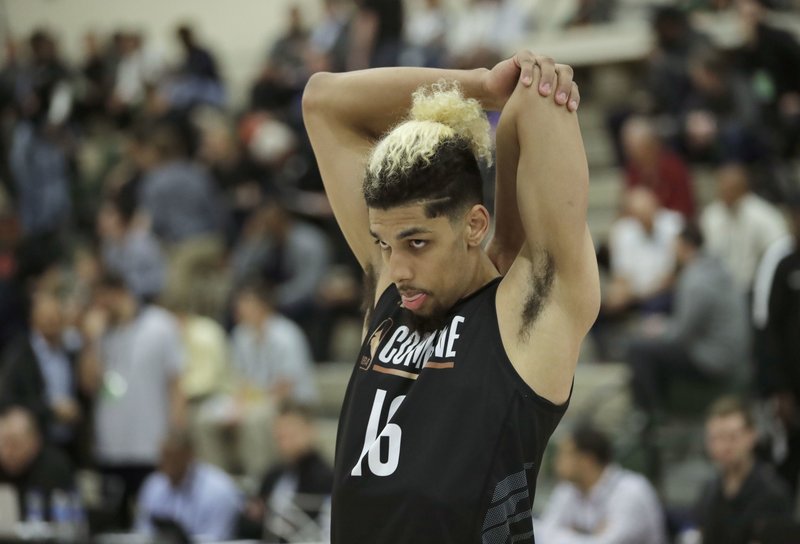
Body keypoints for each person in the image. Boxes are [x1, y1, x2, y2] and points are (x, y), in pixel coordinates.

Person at [303, 51, 599, 541]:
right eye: (384, 243)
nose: (396, 269)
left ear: (474, 225)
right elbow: (323, 100)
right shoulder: (393, 292)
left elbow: (536, 103)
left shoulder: (526, 318)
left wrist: (523, 84)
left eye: (418, 242)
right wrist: (481, 84)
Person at [79, 272, 185, 528]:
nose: (101, 307)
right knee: (113, 521)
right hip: (111, 446)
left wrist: (176, 432)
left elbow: (177, 384)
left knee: (152, 520)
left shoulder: (160, 325)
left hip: (152, 443)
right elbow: (88, 384)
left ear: (121, 293)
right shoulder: (101, 334)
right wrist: (91, 341)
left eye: (105, 300)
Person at [197, 280, 317, 477]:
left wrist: (250, 406)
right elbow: (240, 380)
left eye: (245, 304)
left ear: (262, 306)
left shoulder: (286, 334)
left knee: (254, 420)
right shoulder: (240, 335)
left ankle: (259, 477)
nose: (239, 310)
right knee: (204, 418)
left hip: (291, 402)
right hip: (255, 399)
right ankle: (218, 477)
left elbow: (285, 386)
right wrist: (237, 406)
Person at [627, 224, 750, 417]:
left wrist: (659, 328)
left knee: (639, 349)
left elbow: (680, 335)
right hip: (729, 353)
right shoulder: (717, 267)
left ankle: (649, 418)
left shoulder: (695, 279)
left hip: (713, 359)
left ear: (685, 247)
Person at [536, 425, 666, 544]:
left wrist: (568, 533)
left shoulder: (631, 490)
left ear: (587, 460)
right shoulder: (567, 489)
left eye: (565, 454)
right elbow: (543, 535)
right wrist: (589, 537)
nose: (556, 460)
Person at [693, 396, 792, 544]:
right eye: (716, 438)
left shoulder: (773, 494)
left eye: (732, 437)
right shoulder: (709, 492)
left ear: (751, 436)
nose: (724, 447)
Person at [238, 402, 333, 542]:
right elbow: (246, 521)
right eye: (280, 436)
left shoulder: (326, 478)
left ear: (309, 430)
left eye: (291, 434)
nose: (284, 442)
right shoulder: (274, 473)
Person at [0, 292, 81, 453]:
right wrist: (50, 411)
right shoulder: (20, 354)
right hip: (35, 445)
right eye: (45, 316)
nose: (51, 321)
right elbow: (8, 400)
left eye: (55, 315)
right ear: (33, 319)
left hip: (69, 442)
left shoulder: (70, 350)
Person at [135, 428, 242, 541]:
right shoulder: (153, 485)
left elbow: (216, 539)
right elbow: (142, 534)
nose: (167, 467)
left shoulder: (219, 490)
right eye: (163, 459)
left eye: (174, 460)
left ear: (189, 456)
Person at [700, 163, 787, 294]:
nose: (725, 193)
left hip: (754, 288)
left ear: (744, 189)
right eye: (722, 188)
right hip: (716, 288)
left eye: (731, 189)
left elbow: (779, 254)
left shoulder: (766, 216)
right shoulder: (711, 215)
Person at [0, 406, 74, 522]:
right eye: (3, 443)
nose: (8, 451)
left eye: (14, 443)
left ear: (35, 442)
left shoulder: (54, 467)